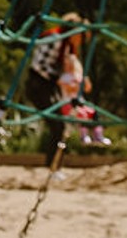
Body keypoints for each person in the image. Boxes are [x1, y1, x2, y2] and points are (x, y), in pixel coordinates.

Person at [25, 12, 92, 165]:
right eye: (81, 37)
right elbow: (39, 66)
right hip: (39, 85)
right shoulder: (55, 39)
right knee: (58, 124)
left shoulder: (68, 47)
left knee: (61, 124)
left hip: (50, 86)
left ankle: (54, 164)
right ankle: (52, 165)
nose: (81, 42)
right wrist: (61, 80)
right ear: (75, 32)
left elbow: (69, 69)